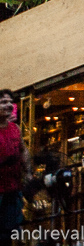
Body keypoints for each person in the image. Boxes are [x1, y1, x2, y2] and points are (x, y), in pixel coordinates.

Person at [0, 89, 30, 246]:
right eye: (4, 102)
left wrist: (28, 172)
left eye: (10, 102)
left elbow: (23, 150)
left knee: (10, 230)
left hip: (12, 189)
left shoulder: (15, 129)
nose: (9, 105)